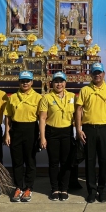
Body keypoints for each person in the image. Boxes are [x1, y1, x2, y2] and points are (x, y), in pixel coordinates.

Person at [75, 62, 106, 203]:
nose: (97, 75)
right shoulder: (85, 90)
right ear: (91, 75)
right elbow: (79, 110)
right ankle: (91, 190)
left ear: (104, 74)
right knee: (90, 161)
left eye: (99, 72)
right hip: (88, 130)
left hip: (104, 129)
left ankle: (102, 191)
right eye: (94, 73)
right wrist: (78, 129)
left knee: (104, 161)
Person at [4, 70, 42, 203]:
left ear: (32, 82)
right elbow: (8, 116)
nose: (25, 83)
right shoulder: (13, 97)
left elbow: (42, 119)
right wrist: (7, 133)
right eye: (22, 81)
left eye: (27, 81)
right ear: (19, 82)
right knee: (17, 161)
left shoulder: (38, 97)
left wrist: (41, 136)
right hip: (16, 130)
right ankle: (18, 187)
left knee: (30, 160)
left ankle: (29, 188)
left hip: (31, 130)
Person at [38, 72, 75, 201]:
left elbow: (77, 115)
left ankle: (64, 189)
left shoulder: (72, 96)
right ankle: (55, 189)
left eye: (61, 81)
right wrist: (42, 137)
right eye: (56, 81)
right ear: (52, 83)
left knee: (66, 163)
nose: (59, 84)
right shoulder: (46, 98)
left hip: (67, 132)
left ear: (65, 83)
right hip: (52, 132)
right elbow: (42, 119)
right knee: (54, 163)